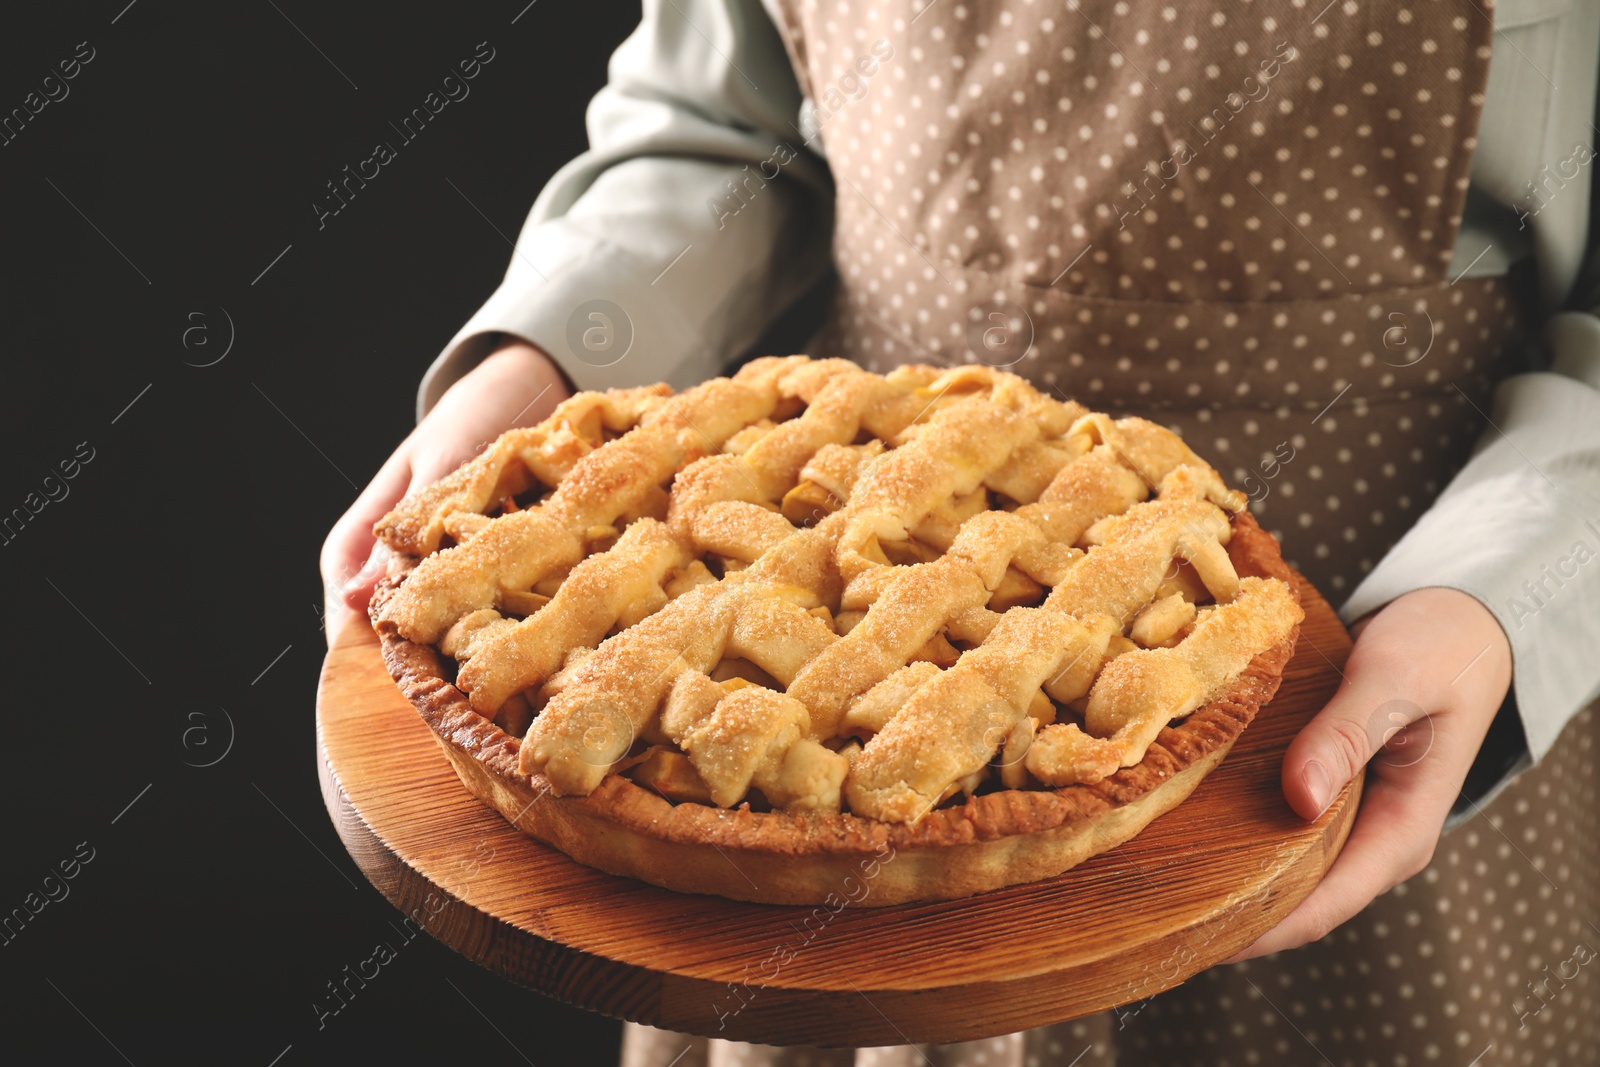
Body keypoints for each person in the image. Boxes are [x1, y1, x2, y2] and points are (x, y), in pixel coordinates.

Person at [322, 1, 1600, 1062]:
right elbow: (726, 132)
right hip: (812, 667)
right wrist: (548, 377)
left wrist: (1500, 595)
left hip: (1389, 666)